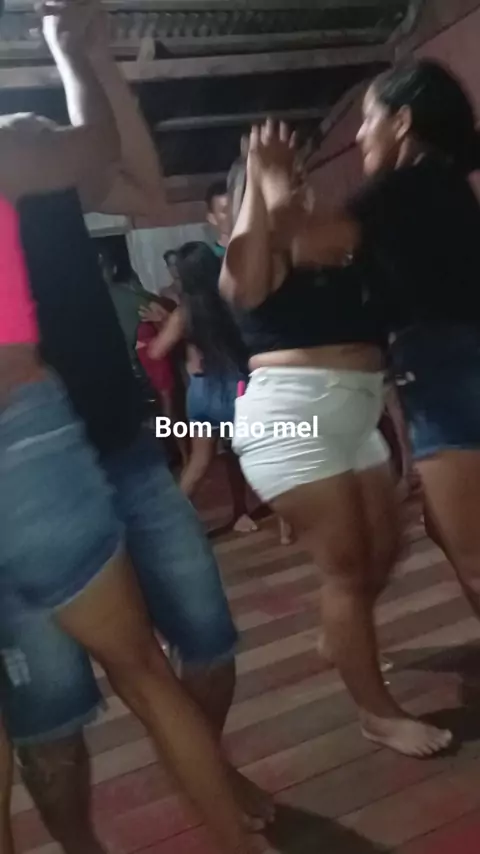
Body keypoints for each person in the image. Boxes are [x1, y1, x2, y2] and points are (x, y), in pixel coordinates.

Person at [0, 2, 262, 852]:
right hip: (37, 449)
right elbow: (101, 146)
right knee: (50, 719)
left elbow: (144, 190)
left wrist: (99, 60)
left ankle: (210, 773)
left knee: (206, 641)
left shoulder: (31, 143)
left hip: (113, 443)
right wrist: (76, 58)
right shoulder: (27, 145)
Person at [220, 121, 451, 759]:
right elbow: (244, 285)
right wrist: (260, 183)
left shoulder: (324, 244)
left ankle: (339, 634)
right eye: (285, 179)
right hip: (290, 421)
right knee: (347, 569)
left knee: (384, 552)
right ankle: (377, 714)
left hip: (353, 415)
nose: (298, 187)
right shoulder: (254, 253)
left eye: (300, 177)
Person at [271, 58, 480, 678]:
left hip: (447, 367)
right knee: (445, 528)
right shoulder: (443, 183)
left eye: (367, 120)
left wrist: (274, 186)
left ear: (403, 122)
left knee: (473, 555)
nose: (360, 135)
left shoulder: (399, 190)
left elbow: (304, 246)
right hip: (454, 360)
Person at [148, 243, 260, 534]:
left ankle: (167, 526)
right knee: (242, 457)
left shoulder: (184, 314)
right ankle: (243, 514)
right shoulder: (232, 303)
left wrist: (171, 329)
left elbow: (157, 351)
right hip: (234, 389)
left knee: (198, 463)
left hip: (200, 391)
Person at [206, 180, 232, 257]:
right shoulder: (211, 257)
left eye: (235, 207)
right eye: (225, 210)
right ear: (212, 218)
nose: (232, 213)